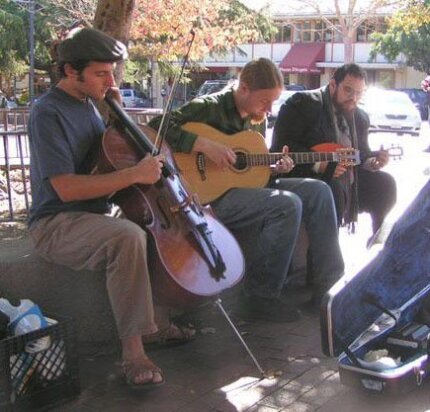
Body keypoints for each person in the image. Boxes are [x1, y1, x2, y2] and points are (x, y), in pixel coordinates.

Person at [27, 27, 195, 390]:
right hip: (55, 223)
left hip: (91, 217)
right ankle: (133, 353)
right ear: (70, 71)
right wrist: (134, 174)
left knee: (150, 230)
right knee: (127, 237)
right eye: (101, 73)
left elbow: (105, 159)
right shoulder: (47, 113)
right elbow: (66, 188)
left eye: (112, 72)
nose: (111, 81)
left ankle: (156, 322)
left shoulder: (89, 104)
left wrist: (117, 117)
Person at [149, 58, 344, 319]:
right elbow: (156, 127)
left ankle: (327, 285)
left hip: (240, 189)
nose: (269, 109)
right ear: (243, 89)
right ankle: (261, 297)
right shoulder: (209, 107)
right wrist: (204, 145)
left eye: (273, 102)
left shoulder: (255, 118)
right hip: (205, 197)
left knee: (318, 191)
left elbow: (249, 168)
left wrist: (275, 168)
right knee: (286, 204)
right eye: (265, 101)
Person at [272, 63, 397, 245]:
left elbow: (361, 154)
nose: (353, 98)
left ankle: (378, 243)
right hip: (306, 175)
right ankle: (327, 252)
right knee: (333, 189)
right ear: (332, 85)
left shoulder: (360, 117)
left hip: (348, 180)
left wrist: (373, 162)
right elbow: (281, 146)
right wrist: (319, 165)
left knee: (385, 183)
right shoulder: (303, 104)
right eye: (348, 90)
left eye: (359, 93)